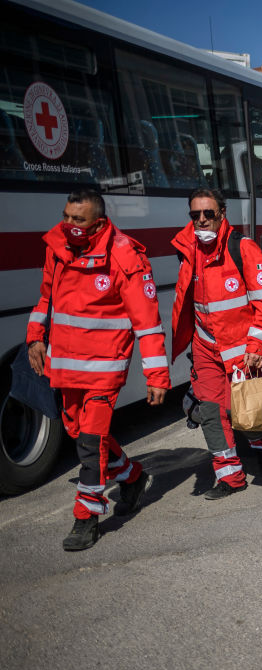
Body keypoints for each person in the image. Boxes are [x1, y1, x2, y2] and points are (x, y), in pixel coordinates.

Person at [26, 189, 170, 551]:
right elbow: (46, 297)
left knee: (90, 444)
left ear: (100, 222)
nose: (70, 225)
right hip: (66, 364)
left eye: (79, 220)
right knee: (82, 434)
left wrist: (156, 376)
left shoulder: (125, 255)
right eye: (67, 217)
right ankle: (133, 478)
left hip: (105, 368)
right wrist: (35, 338)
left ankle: (86, 518)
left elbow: (148, 322)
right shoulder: (57, 246)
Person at [170, 188, 262, 500]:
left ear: (222, 214)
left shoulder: (241, 248)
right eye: (195, 215)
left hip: (241, 349)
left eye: (208, 214)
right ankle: (230, 476)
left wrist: (257, 346)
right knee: (211, 411)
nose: (202, 220)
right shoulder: (187, 249)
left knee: (250, 413)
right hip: (205, 346)